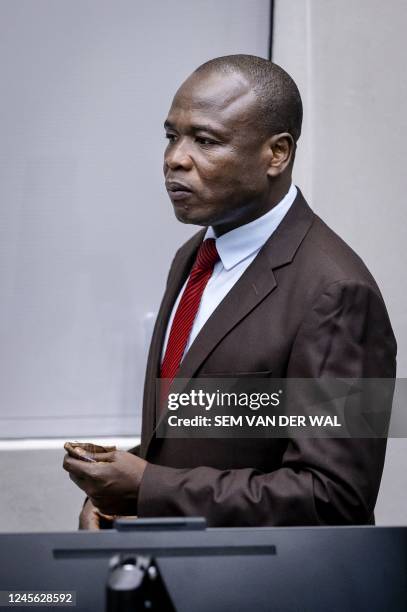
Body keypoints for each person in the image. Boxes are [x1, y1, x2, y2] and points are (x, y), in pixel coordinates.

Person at [63, 55, 396, 528]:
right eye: (171, 136)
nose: (175, 157)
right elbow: (211, 432)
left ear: (276, 154)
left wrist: (148, 489)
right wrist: (114, 492)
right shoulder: (195, 257)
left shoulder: (339, 294)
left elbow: (335, 497)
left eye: (205, 140)